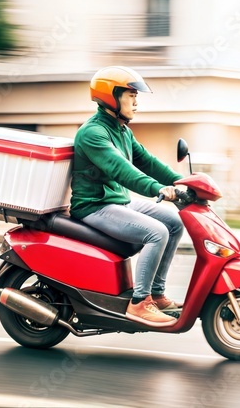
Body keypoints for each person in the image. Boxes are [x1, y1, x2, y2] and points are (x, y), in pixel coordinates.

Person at [69, 66, 184, 327]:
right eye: (130, 94)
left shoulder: (122, 130)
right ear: (110, 97)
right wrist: (157, 189)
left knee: (175, 222)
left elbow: (147, 161)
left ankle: (156, 292)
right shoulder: (93, 133)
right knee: (157, 233)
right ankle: (139, 303)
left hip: (118, 201)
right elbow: (122, 170)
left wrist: (182, 182)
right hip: (95, 207)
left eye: (136, 95)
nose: (136, 101)